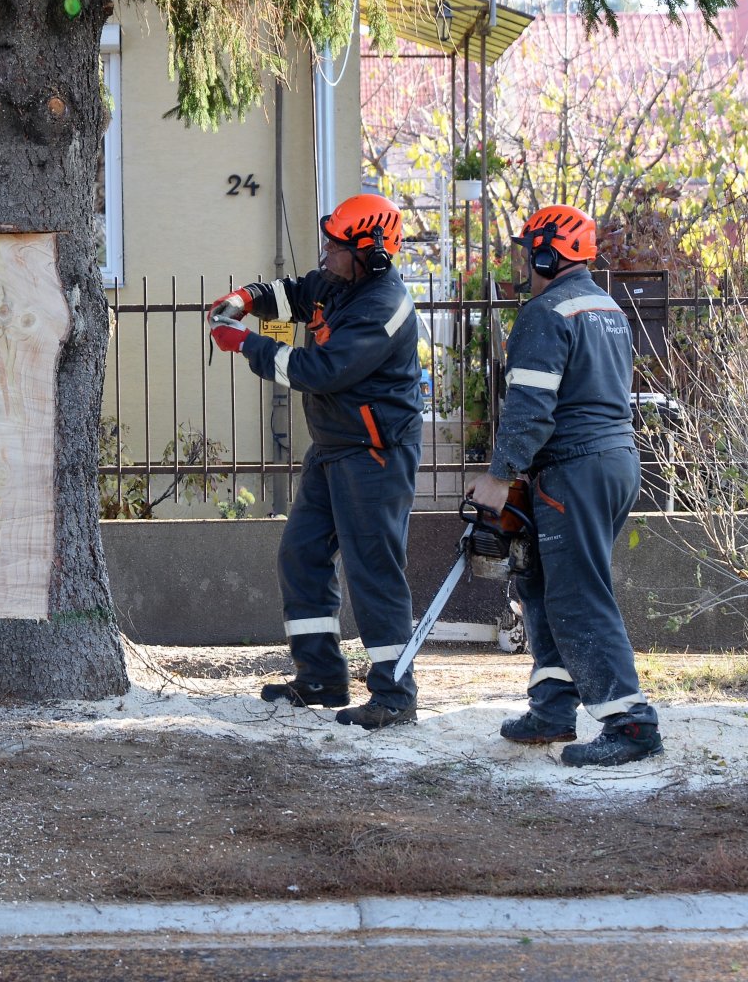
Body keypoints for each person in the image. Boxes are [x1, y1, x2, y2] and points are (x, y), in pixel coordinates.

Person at [208, 193, 424, 730]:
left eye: (337, 245)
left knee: (374, 571)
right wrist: (246, 298)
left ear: (371, 253)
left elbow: (320, 369)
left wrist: (243, 344)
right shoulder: (338, 281)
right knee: (300, 555)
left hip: (375, 453)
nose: (326, 252)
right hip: (333, 448)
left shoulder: (383, 306)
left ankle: (395, 694)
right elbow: (295, 293)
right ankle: (321, 677)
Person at [465, 203, 662, 767]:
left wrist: (501, 477)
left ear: (547, 251)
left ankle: (630, 723)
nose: (525, 261)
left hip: (573, 470)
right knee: (542, 584)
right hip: (614, 461)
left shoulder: (545, 313)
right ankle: (553, 705)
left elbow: (530, 408)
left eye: (530, 250)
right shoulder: (607, 309)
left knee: (578, 593)